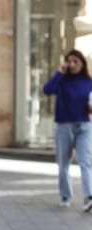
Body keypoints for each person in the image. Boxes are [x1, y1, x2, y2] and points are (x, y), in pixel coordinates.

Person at [43, 49, 92, 210]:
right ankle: (65, 195)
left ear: (82, 64)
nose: (72, 64)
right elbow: (47, 90)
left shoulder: (89, 81)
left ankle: (89, 197)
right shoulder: (62, 80)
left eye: (75, 61)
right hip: (64, 125)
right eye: (69, 61)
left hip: (84, 126)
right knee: (63, 163)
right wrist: (59, 73)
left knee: (85, 162)